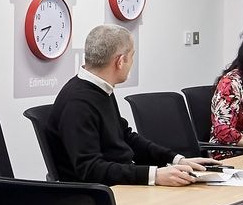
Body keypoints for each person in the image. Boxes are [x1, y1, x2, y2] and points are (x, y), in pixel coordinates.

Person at [51, 24, 205, 186]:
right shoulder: (77, 102)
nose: (132, 62)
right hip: (100, 195)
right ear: (121, 61)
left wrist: (175, 159)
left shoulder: (101, 89)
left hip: (120, 184)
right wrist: (154, 176)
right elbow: (90, 169)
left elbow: (126, 137)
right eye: (132, 56)